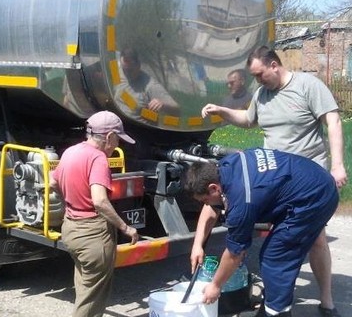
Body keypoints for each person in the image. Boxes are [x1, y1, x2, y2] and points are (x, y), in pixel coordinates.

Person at [197, 45, 347, 316]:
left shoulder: (307, 86)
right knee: (279, 245)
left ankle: (326, 301)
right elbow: (247, 120)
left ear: (274, 65)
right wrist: (222, 110)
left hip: (308, 181)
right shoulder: (262, 94)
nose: (257, 80)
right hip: (273, 183)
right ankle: (276, 298)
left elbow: (333, 122)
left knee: (316, 240)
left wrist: (337, 165)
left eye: (259, 74)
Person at [185, 148, 339, 317]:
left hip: (315, 197)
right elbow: (211, 207)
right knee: (277, 256)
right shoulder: (222, 168)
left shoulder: (241, 202)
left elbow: (235, 253)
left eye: (205, 199)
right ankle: (273, 303)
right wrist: (197, 245)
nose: (206, 203)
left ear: (214, 188)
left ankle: (277, 312)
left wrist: (215, 286)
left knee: (276, 257)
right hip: (309, 179)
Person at [50, 111, 139, 317]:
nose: (118, 145)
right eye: (117, 139)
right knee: (92, 301)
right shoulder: (98, 159)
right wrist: (125, 227)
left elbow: (53, 182)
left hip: (71, 229)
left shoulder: (70, 151)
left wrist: (71, 200)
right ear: (109, 137)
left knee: (85, 287)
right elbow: (99, 200)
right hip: (93, 235)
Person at [115, 48, 181, 117]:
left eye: (130, 70)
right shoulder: (119, 72)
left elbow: (178, 111)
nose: (126, 73)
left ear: (138, 66)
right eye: (124, 69)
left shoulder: (151, 86)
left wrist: (163, 105)